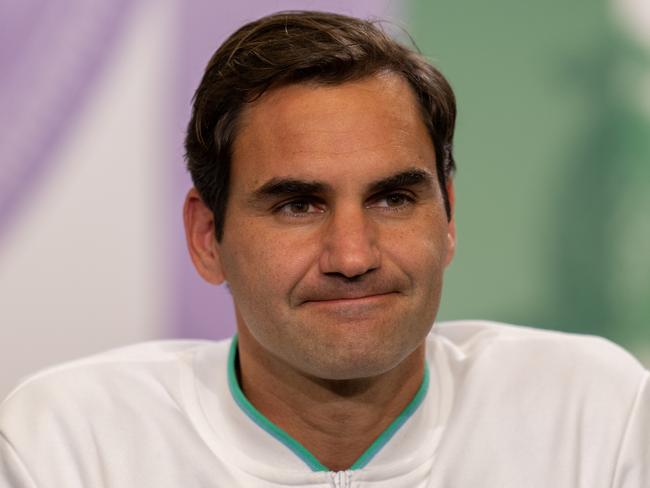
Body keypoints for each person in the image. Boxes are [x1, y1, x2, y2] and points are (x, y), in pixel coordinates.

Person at [1, 10, 648, 488]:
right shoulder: (69, 446)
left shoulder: (594, 417)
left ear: (448, 215)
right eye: (297, 205)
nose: (352, 255)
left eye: (393, 199)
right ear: (207, 238)